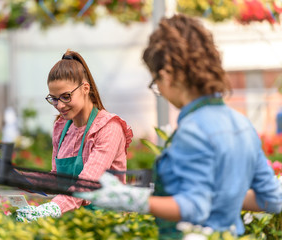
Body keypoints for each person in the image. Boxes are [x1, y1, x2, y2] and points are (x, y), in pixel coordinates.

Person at [75, 14, 282, 238]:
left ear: (167, 75)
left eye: (156, 82)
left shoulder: (193, 130)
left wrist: (132, 199)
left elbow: (194, 207)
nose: (160, 91)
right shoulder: (242, 124)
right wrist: (224, 195)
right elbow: (272, 199)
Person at [16, 50, 133, 221]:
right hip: (73, 225)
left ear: (85, 88)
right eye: (54, 99)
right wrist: (21, 178)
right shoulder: (62, 128)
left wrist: (52, 208)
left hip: (107, 225)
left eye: (65, 96)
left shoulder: (109, 128)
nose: (60, 105)